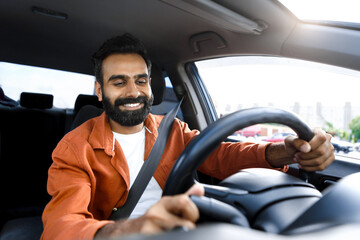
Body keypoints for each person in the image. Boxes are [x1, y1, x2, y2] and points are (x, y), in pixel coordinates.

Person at [41, 34, 334, 240]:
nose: (133, 92)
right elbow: (61, 225)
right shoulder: (75, 148)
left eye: (141, 80)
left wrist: (284, 152)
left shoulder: (173, 130)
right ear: (100, 91)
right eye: (118, 82)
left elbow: (222, 156)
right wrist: (130, 231)